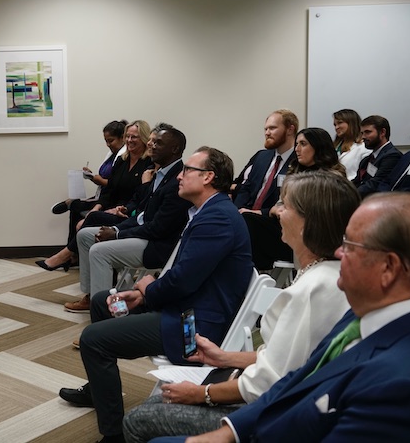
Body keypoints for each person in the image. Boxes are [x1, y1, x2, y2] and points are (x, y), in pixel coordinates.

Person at [151, 192, 410, 443]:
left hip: (277, 426)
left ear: (389, 267)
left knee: (144, 419)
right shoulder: (368, 314)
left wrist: (206, 395)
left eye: (350, 245)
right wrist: (229, 430)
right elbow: (301, 375)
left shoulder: (407, 381)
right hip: (267, 418)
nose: (339, 252)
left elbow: (281, 383)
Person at [122, 171, 358, 442]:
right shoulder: (329, 275)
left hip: (277, 416)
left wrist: (202, 394)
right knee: (154, 407)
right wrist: (225, 358)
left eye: (285, 205)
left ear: (307, 223)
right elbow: (295, 360)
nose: (276, 212)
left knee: (138, 419)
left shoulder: (311, 289)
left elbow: (269, 384)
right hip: (288, 402)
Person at [57, 147, 253, 443]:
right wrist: (143, 295)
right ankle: (99, 390)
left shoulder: (217, 219)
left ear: (209, 177)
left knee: (93, 340)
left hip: (195, 326)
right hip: (187, 306)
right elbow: (184, 277)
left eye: (188, 170)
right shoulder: (208, 212)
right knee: (102, 303)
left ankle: (113, 436)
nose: (180, 175)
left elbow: (182, 282)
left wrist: (148, 289)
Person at [64, 124, 191, 312]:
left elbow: (157, 228)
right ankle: (93, 296)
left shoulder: (176, 181)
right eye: (152, 141)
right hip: (144, 234)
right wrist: (116, 230)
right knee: (84, 236)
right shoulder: (159, 173)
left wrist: (116, 234)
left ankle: (104, 312)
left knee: (99, 251)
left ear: (175, 149)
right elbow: (142, 214)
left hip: (157, 245)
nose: (152, 145)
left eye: (158, 143)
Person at [38, 120, 152, 271]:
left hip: (127, 213)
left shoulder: (148, 164)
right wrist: (96, 207)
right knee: (87, 213)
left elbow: (143, 197)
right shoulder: (122, 161)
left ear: (144, 139)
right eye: (128, 136)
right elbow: (109, 190)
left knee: (91, 218)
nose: (130, 140)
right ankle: (72, 255)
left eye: (134, 137)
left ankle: (65, 256)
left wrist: (120, 209)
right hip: (112, 206)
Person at [246, 127, 346, 271]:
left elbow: (323, 214)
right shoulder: (294, 172)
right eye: (296, 144)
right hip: (286, 226)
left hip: (312, 236)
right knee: (247, 220)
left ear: (318, 146)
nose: (297, 149)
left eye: (303, 144)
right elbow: (278, 205)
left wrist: (289, 212)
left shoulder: (333, 178)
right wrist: (280, 211)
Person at [233, 110, 298, 271]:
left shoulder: (299, 160)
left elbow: (293, 204)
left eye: (273, 128)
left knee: (247, 220)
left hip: (277, 227)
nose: (267, 133)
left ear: (290, 129)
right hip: (248, 218)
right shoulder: (262, 156)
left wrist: (257, 213)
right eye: (266, 129)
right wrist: (235, 211)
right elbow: (246, 188)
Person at [51, 120, 128, 245]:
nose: (108, 144)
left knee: (77, 207)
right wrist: (92, 175)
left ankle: (71, 251)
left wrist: (98, 180)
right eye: (106, 141)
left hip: (111, 199)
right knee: (77, 207)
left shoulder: (123, 157)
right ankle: (71, 250)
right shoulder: (112, 155)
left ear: (122, 138)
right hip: (103, 194)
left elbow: (116, 185)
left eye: (111, 140)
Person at [351, 114, 401, 197]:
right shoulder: (368, 158)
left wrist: (348, 194)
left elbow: (375, 184)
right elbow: (357, 181)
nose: (363, 137)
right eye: (362, 133)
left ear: (382, 132)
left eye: (368, 132)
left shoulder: (392, 156)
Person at [331, 108, 370, 180]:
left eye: (340, 123)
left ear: (351, 123)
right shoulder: (335, 146)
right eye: (335, 125)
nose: (336, 127)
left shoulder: (363, 147)